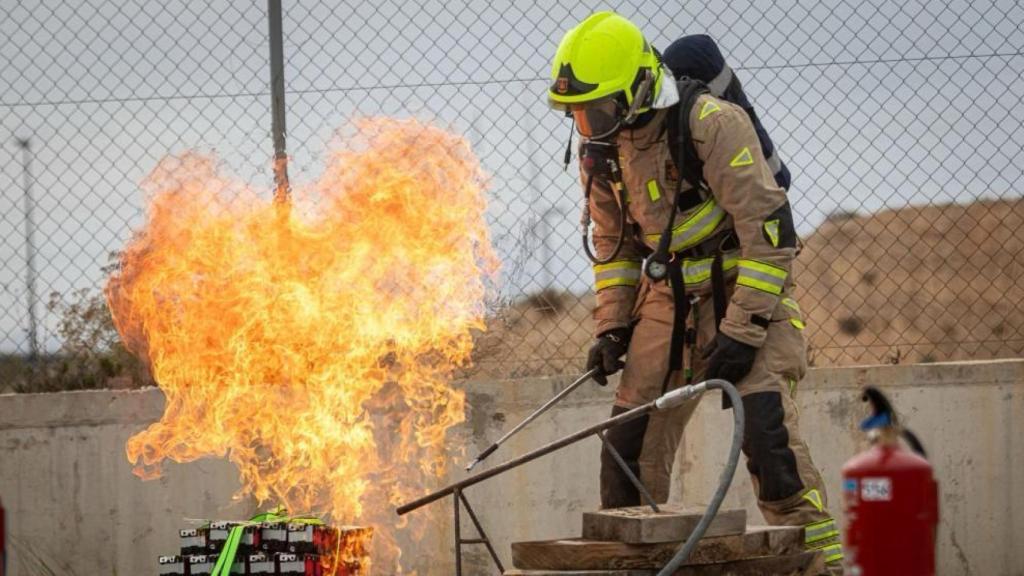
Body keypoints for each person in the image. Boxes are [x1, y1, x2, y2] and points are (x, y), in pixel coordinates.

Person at [547, 11, 843, 574]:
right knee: (625, 454)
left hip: (743, 285)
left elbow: (772, 235)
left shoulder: (712, 123)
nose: (589, 123)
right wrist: (610, 326)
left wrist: (742, 331)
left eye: (598, 109)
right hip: (667, 299)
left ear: (637, 89)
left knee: (768, 442)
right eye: (577, 114)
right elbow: (616, 251)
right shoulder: (600, 152)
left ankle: (820, 564)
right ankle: (644, 567)